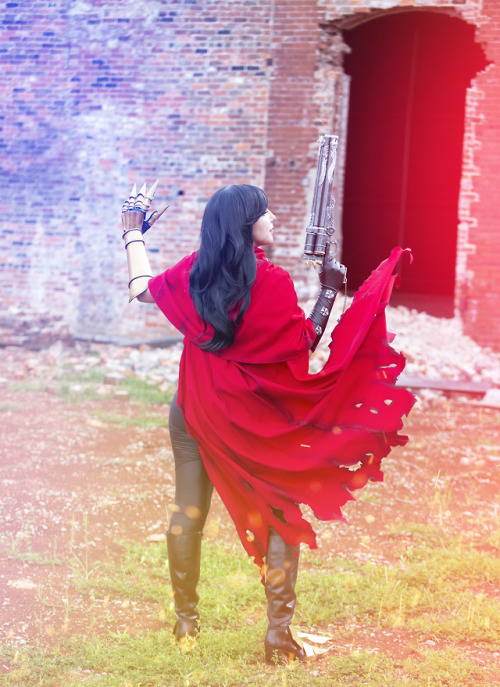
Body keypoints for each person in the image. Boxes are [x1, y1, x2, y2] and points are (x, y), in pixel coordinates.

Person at [120, 182, 414, 664]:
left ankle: (185, 623)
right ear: (245, 223)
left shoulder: (196, 271)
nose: (273, 216)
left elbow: (141, 292)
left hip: (193, 410)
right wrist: (329, 292)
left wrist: (132, 233)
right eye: (264, 211)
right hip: (252, 421)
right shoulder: (271, 281)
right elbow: (303, 344)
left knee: (187, 512)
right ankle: (278, 634)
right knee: (279, 512)